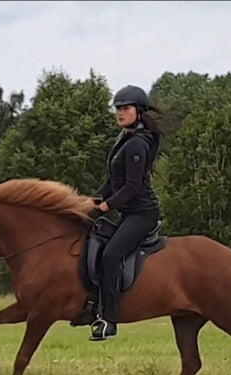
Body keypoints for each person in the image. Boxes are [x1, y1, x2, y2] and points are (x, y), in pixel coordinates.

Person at [90, 85, 164, 342]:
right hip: (128, 213)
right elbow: (113, 180)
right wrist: (92, 200)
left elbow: (131, 187)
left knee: (110, 256)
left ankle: (108, 319)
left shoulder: (136, 145)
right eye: (118, 109)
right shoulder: (126, 138)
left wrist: (107, 205)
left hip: (142, 214)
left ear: (138, 111)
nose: (120, 113)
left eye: (125, 108)